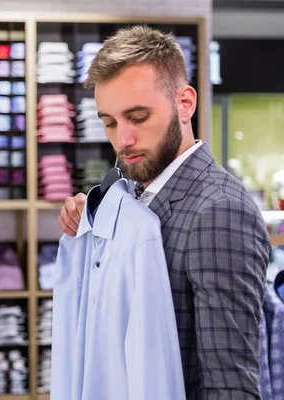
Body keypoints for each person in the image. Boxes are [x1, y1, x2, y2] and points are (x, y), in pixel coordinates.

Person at [58, 25, 272, 399]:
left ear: (185, 103)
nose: (122, 140)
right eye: (109, 122)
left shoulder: (219, 212)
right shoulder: (134, 190)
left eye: (138, 117)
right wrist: (91, 220)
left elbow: (231, 386)